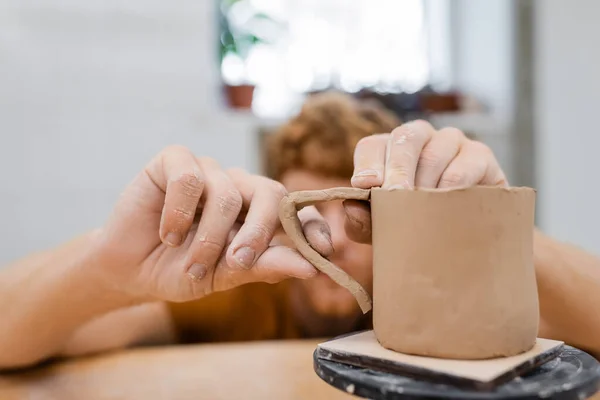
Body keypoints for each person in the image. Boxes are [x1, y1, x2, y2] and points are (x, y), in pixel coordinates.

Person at [1, 92, 599, 370]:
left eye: (359, 208)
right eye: (311, 207)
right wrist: (105, 265)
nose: (333, 237)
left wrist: (498, 234)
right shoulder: (231, 290)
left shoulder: (437, 300)